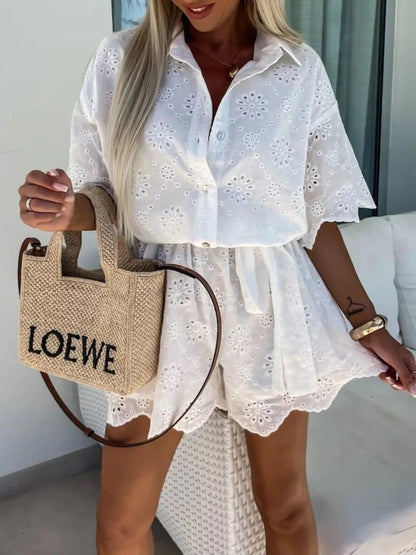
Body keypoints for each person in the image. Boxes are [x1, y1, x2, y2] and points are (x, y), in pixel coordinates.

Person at [18, 1, 416, 553]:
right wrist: (63, 211)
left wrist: (370, 327)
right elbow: (100, 198)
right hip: (159, 302)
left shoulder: (297, 69)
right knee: (121, 522)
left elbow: (317, 216)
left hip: (270, 302)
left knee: (285, 506)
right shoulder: (121, 61)